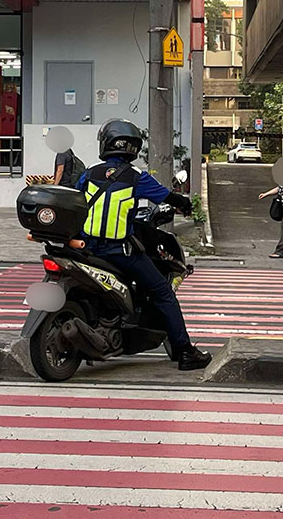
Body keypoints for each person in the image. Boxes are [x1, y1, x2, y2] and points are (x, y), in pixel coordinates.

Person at [75, 118, 212, 371]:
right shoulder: (137, 177)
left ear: (105, 144)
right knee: (163, 292)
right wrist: (185, 204)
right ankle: (184, 351)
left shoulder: (90, 173)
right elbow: (168, 197)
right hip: (119, 252)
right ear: (133, 148)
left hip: (86, 250)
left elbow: (76, 196)